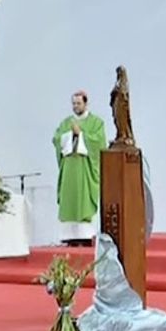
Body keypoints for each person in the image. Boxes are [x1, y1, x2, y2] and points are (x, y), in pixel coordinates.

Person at [53, 90, 106, 247]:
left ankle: (85, 236)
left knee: (83, 200)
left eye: (78, 103)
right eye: (73, 103)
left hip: (85, 169)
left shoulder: (96, 122)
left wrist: (81, 135)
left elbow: (99, 142)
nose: (75, 106)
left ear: (86, 103)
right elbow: (56, 139)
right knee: (68, 200)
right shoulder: (65, 123)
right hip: (69, 168)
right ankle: (69, 236)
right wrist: (70, 135)